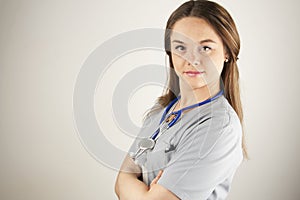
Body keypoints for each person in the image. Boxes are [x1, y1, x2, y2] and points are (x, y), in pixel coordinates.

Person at [115, 0, 247, 199]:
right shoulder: (161, 110)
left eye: (205, 48)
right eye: (181, 47)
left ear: (227, 51)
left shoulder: (219, 127)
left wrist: (137, 186)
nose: (192, 59)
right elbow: (121, 179)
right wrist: (145, 192)